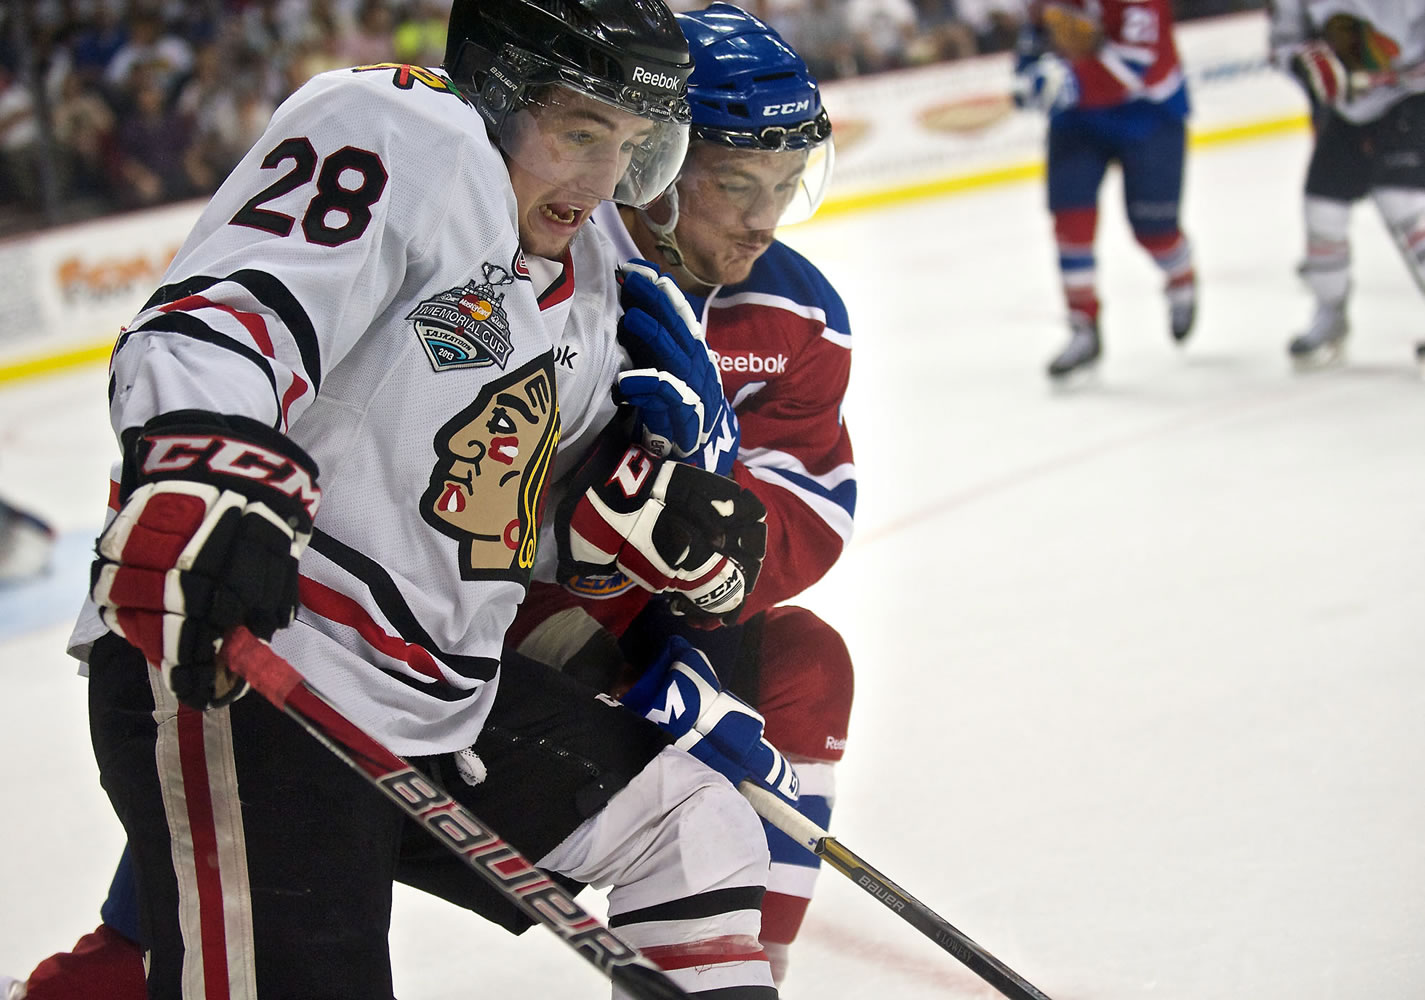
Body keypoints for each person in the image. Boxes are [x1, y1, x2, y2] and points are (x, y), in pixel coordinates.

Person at [24, 2, 791, 998]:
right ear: (498, 93)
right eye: (580, 131)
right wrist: (205, 469)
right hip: (257, 662)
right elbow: (225, 319)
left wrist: (651, 519)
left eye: (636, 146)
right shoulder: (400, 134)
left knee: (697, 831)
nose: (605, 182)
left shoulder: (598, 266)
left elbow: (502, 510)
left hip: (436, 699)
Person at [506, 3, 855, 985]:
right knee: (192, 908)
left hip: (624, 623)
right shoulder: (545, 261)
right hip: (458, 623)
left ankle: (754, 971)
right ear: (652, 162)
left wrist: (694, 607)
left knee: (805, 666)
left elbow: (807, 522)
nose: (763, 219)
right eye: (737, 183)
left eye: (788, 186)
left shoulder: (794, 315)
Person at [1013, 0, 1197, 379]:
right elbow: (1035, 36)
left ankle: (1181, 276)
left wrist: (1064, 80)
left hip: (1149, 114)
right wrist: (1027, 75)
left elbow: (1133, 64)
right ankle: (1083, 326)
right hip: (1077, 119)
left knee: (1155, 231)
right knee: (1071, 222)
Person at [1268, 1, 1425, 368]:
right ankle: (1330, 315)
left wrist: (1399, 75)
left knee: (1401, 200)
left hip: (1413, 99)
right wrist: (1308, 69)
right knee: (1322, 210)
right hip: (1348, 109)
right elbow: (1283, 44)